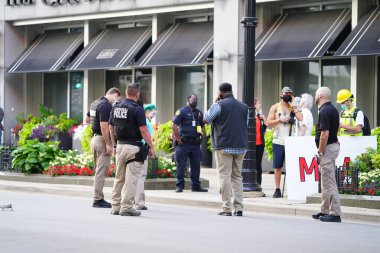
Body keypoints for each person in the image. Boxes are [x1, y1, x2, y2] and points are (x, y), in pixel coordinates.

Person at [109, 83, 155, 217]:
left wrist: (115, 145)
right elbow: (143, 130)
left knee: (119, 178)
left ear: (126, 92)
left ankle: (115, 206)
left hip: (120, 146)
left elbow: (111, 127)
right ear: (138, 94)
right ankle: (127, 207)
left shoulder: (116, 107)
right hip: (134, 148)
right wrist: (151, 147)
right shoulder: (137, 109)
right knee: (131, 179)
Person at [204, 83, 248, 216]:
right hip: (241, 146)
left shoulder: (219, 105)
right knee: (237, 177)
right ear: (231, 90)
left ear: (220, 92)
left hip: (224, 145)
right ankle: (239, 208)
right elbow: (243, 124)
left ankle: (226, 208)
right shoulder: (244, 107)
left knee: (225, 176)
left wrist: (214, 103)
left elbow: (206, 119)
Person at [266, 86, 303, 198]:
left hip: (290, 141)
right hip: (278, 140)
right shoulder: (275, 107)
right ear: (281, 94)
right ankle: (277, 189)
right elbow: (268, 122)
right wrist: (279, 120)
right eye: (286, 93)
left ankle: (292, 189)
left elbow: (300, 118)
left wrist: (294, 106)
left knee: (291, 166)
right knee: (277, 166)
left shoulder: (293, 107)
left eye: (290, 94)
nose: (287, 95)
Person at [312, 87, 341, 222]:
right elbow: (336, 127)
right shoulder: (333, 110)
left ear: (321, 96)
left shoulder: (324, 111)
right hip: (332, 146)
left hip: (327, 149)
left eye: (316, 94)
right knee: (325, 182)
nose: (315, 96)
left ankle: (335, 213)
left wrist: (320, 151)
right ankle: (324, 210)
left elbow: (324, 134)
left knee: (329, 182)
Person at [89, 87, 121, 208]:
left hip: (95, 138)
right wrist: (109, 144)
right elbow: (104, 126)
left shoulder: (94, 103)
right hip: (102, 140)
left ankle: (97, 197)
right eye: (117, 98)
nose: (117, 101)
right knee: (101, 171)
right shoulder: (105, 105)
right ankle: (98, 199)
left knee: (98, 170)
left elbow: (88, 119)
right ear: (115, 94)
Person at [172, 94, 208, 193]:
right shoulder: (182, 111)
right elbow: (174, 126)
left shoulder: (199, 113)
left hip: (195, 144)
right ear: (188, 99)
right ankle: (179, 186)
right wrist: (178, 139)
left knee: (196, 165)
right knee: (181, 166)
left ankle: (195, 186)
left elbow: (200, 126)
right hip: (183, 143)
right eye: (194, 99)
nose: (196, 101)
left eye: (197, 99)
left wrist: (201, 136)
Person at [134, 103, 157, 211]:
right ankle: (140, 203)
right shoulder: (146, 122)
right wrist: (152, 148)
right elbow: (147, 137)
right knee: (141, 176)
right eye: (153, 113)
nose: (153, 116)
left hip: (134, 148)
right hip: (143, 150)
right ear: (147, 112)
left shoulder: (140, 120)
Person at [254, 98, 267, 186]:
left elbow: (265, 128)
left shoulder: (259, 116)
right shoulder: (250, 115)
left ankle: (259, 184)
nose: (260, 105)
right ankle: (251, 182)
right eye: (258, 104)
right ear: (254, 105)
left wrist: (264, 119)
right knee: (252, 165)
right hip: (251, 145)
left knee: (258, 165)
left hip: (260, 144)